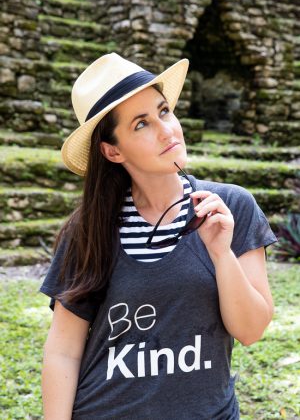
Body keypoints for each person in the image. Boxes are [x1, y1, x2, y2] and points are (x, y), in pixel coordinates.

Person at [40, 52, 277, 420]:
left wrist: (221, 254)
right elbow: (63, 349)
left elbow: (251, 330)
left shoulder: (231, 207)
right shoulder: (88, 229)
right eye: (141, 124)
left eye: (164, 111)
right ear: (112, 150)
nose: (166, 129)